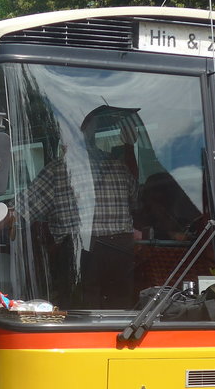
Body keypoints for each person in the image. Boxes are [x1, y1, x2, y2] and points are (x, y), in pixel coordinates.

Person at [16, 106, 139, 309]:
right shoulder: (119, 167)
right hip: (121, 253)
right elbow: (135, 200)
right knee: (120, 311)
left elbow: (22, 210)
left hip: (81, 254)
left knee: (79, 312)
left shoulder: (58, 171)